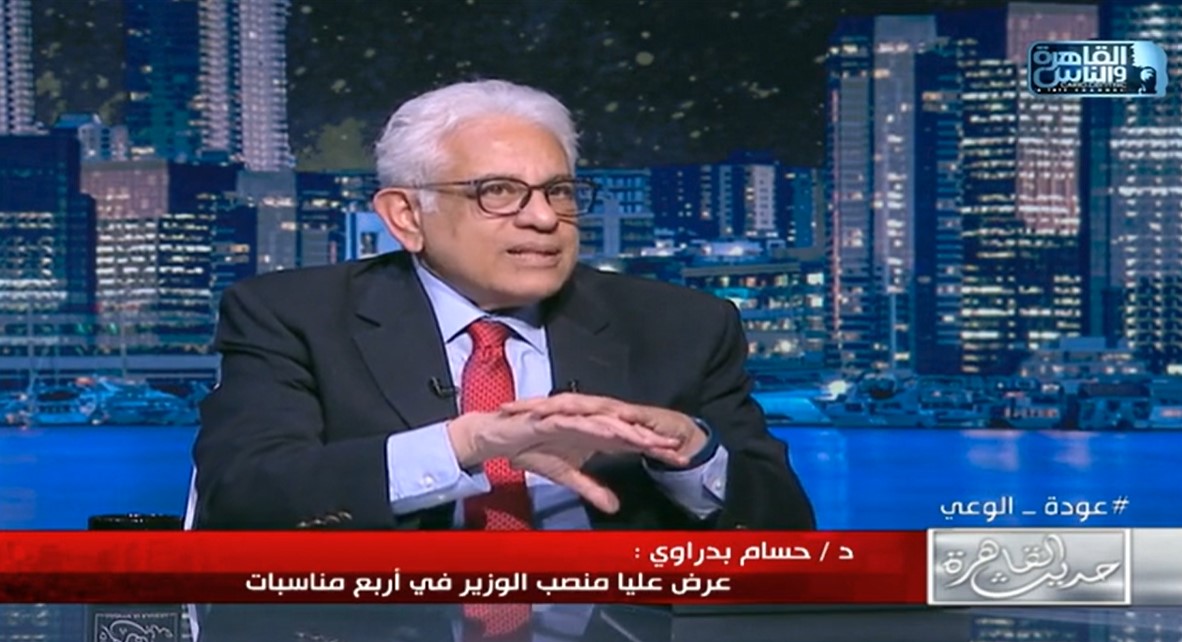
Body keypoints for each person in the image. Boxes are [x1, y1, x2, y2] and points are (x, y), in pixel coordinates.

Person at [193, 79, 815, 532]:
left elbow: (788, 532)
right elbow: (244, 498)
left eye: (558, 191)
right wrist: (467, 443)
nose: (543, 218)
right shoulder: (293, 316)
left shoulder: (682, 326)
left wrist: (693, 456)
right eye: (498, 191)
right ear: (406, 216)